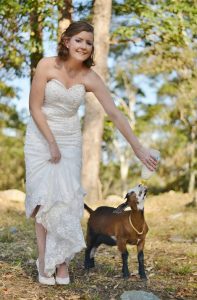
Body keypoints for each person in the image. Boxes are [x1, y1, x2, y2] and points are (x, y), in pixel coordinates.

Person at [24, 21, 157, 285]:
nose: (84, 46)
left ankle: (62, 264)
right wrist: (51, 142)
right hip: (40, 136)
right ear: (66, 40)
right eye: (79, 40)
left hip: (71, 139)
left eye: (89, 42)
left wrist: (138, 147)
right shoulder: (46, 65)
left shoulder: (89, 77)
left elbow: (115, 114)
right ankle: (44, 262)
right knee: (43, 201)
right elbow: (35, 107)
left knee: (68, 201)